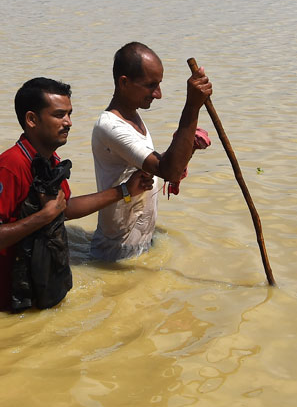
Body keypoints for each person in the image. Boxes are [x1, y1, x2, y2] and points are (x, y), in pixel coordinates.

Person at [0, 77, 154, 313]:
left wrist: (124, 191)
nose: (68, 122)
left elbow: (64, 209)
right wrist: (43, 216)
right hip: (4, 307)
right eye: (59, 115)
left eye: (69, 114)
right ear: (32, 119)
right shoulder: (11, 165)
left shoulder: (49, 161)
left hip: (37, 297)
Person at [90, 43, 212, 261]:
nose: (158, 94)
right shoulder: (110, 126)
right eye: (150, 86)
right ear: (124, 83)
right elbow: (168, 170)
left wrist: (188, 147)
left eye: (159, 84)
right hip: (117, 252)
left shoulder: (134, 116)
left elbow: (161, 166)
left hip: (139, 244)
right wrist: (192, 107)